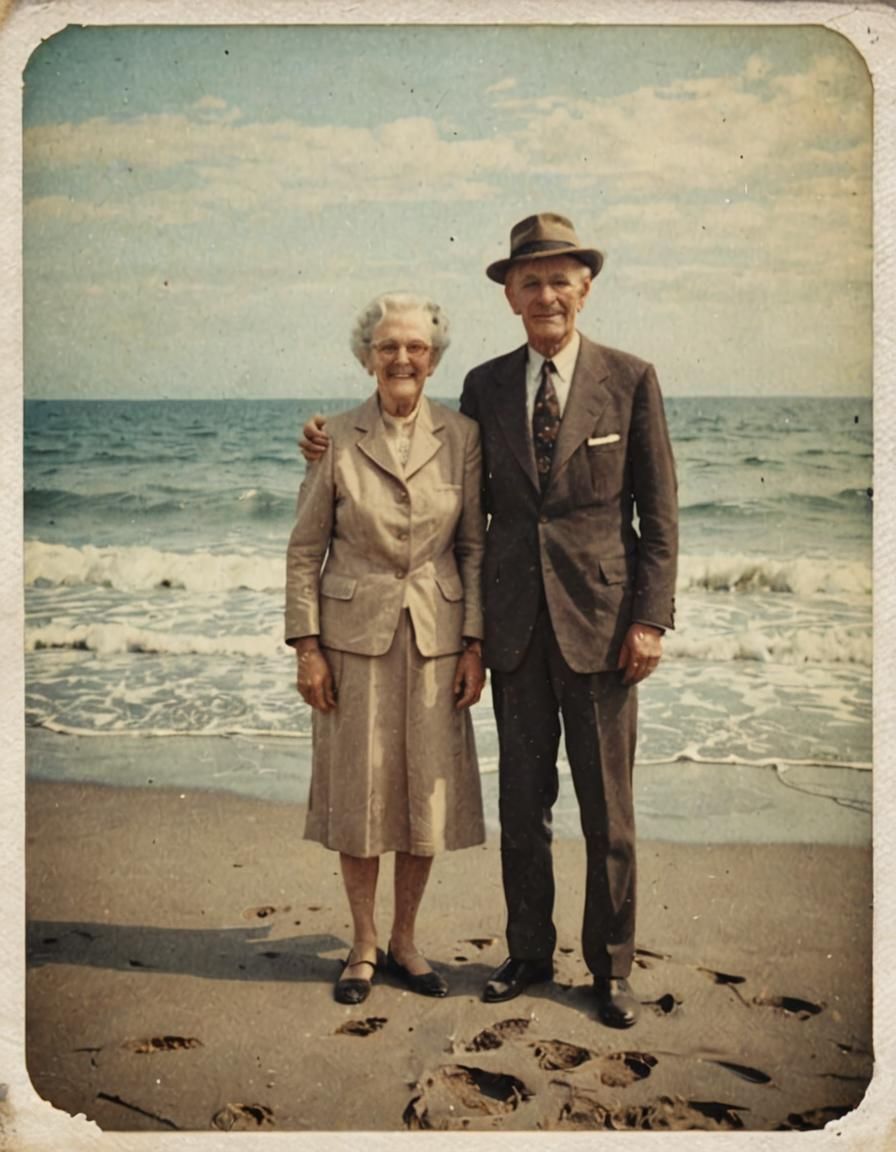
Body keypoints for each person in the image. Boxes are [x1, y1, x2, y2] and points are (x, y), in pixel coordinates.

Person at [300, 214, 678, 1029]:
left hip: (606, 629)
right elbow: (455, 493)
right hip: (510, 630)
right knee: (523, 806)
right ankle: (529, 953)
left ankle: (610, 970)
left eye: (560, 280)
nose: (546, 294)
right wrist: (321, 443)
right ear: (509, 294)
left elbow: (661, 517)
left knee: (609, 810)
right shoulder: (484, 387)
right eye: (530, 280)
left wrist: (650, 620)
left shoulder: (632, 378)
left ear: (585, 288)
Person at [285, 291, 487, 1006]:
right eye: (388, 347)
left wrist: (475, 644)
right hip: (352, 641)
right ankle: (364, 943)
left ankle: (407, 940)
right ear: (367, 356)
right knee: (362, 793)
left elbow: (472, 546)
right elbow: (305, 549)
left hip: (437, 638)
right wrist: (306, 647)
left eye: (416, 347)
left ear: (434, 358)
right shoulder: (335, 436)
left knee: (424, 794)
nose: (403, 358)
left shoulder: (462, 435)